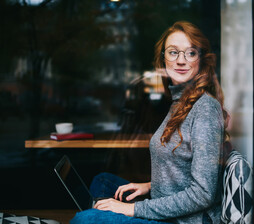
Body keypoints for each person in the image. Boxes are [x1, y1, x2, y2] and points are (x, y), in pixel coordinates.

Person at [70, 21, 228, 224]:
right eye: (173, 52)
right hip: (164, 203)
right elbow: (182, 172)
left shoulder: (205, 109)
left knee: (85, 219)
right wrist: (149, 186)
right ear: (163, 59)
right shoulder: (180, 101)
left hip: (184, 221)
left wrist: (133, 209)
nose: (181, 60)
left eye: (190, 53)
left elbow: (203, 194)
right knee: (103, 182)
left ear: (201, 60)